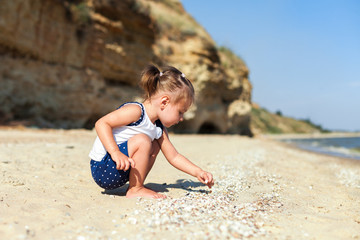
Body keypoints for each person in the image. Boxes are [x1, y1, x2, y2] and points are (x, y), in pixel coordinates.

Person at [89, 64, 214, 199]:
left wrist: (198, 172)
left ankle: (137, 184)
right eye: (180, 112)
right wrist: (115, 153)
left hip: (122, 168)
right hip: (104, 167)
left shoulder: (158, 128)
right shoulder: (136, 111)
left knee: (154, 143)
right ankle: (135, 189)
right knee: (143, 140)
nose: (182, 118)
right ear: (164, 102)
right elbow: (102, 123)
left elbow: (174, 156)